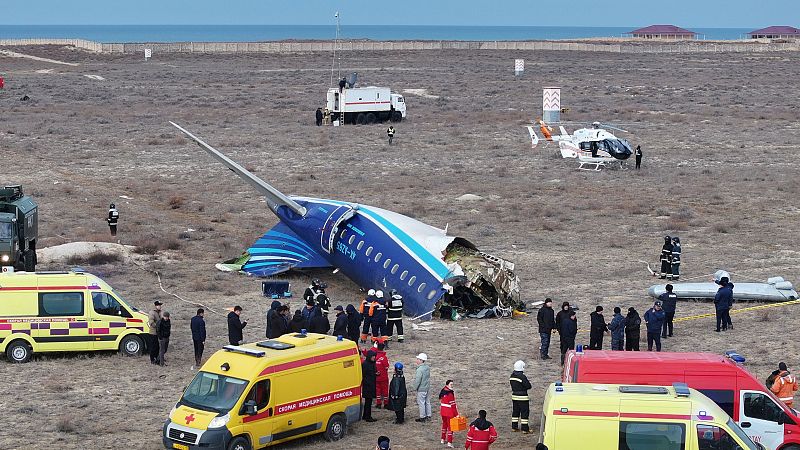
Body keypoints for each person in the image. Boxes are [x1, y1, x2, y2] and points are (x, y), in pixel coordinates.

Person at [510, 360, 532, 433]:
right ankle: (525, 429)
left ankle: (514, 427)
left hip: (514, 396)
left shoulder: (512, 376)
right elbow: (528, 386)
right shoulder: (522, 377)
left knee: (515, 411)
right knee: (524, 412)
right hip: (523, 397)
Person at [439, 380, 459, 448]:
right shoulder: (450, 394)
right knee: (450, 428)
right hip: (449, 413)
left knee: (444, 425)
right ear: (447, 385)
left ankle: (442, 439)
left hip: (443, 412)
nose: (452, 386)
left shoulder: (443, 391)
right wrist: (457, 415)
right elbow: (453, 405)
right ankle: (449, 442)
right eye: (451, 384)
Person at [413, 353, 432, 422]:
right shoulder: (427, 367)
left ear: (421, 360)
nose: (416, 360)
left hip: (421, 389)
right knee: (427, 402)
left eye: (418, 359)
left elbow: (418, 380)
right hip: (427, 388)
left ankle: (422, 417)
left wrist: (415, 388)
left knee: (421, 403)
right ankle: (428, 415)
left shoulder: (419, 370)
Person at [362, 349, 378, 422]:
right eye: (373, 356)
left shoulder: (372, 363)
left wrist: (376, 374)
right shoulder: (365, 364)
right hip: (368, 386)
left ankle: (365, 415)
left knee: (368, 402)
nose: (374, 357)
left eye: (374, 356)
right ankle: (368, 417)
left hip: (371, 384)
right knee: (368, 402)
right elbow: (364, 375)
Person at [375, 342, 390, 408]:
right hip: (384, 377)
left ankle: (378, 403)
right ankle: (386, 403)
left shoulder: (374, 356)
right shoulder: (384, 357)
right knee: (385, 390)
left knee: (377, 390)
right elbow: (386, 367)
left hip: (376, 377)